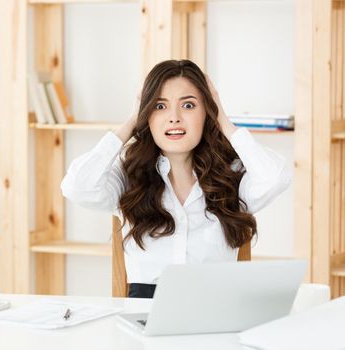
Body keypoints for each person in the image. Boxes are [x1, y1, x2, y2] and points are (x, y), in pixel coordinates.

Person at [60, 59, 292, 298]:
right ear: (146, 115)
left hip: (215, 312)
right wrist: (129, 123)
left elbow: (277, 178)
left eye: (188, 105)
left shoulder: (230, 174)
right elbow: (76, 186)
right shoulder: (128, 177)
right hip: (146, 315)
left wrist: (224, 120)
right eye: (160, 107)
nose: (174, 118)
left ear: (206, 112)